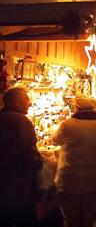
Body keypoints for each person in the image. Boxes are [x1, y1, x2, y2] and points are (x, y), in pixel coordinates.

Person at [53, 96, 96, 227]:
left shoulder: (68, 124)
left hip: (69, 180)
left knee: (71, 218)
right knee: (88, 216)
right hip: (93, 180)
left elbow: (55, 140)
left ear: (76, 108)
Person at [0, 87, 43, 227]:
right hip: (20, 185)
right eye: (26, 99)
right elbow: (31, 155)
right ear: (17, 103)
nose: (29, 103)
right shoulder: (22, 122)